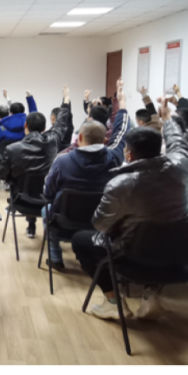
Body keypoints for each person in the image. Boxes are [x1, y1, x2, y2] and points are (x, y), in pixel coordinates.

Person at [74, 97, 188, 321]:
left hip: (134, 255)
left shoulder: (120, 184)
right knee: (158, 229)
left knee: (81, 240)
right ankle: (151, 295)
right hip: (177, 254)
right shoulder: (182, 167)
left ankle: (113, 301)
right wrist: (168, 120)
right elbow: (178, 144)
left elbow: (100, 224)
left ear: (128, 154)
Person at [42, 89, 130, 269]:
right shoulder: (114, 159)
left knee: (46, 210)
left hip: (64, 221)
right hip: (100, 222)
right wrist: (122, 105)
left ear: (80, 137)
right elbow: (121, 133)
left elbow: (48, 193)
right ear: (104, 141)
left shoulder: (62, 161)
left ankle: (55, 258)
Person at [0, 86, 73, 238]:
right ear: (44, 128)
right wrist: (66, 100)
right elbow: (61, 123)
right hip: (48, 199)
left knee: (24, 179)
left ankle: (31, 226)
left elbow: (1, 175)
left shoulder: (12, 149)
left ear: (25, 126)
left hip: (21, 200)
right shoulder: (53, 142)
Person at [0, 89, 36, 158]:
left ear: (11, 113)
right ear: (23, 112)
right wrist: (30, 98)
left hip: (3, 161)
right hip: (24, 159)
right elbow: (34, 114)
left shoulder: (3, 127)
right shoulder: (28, 125)